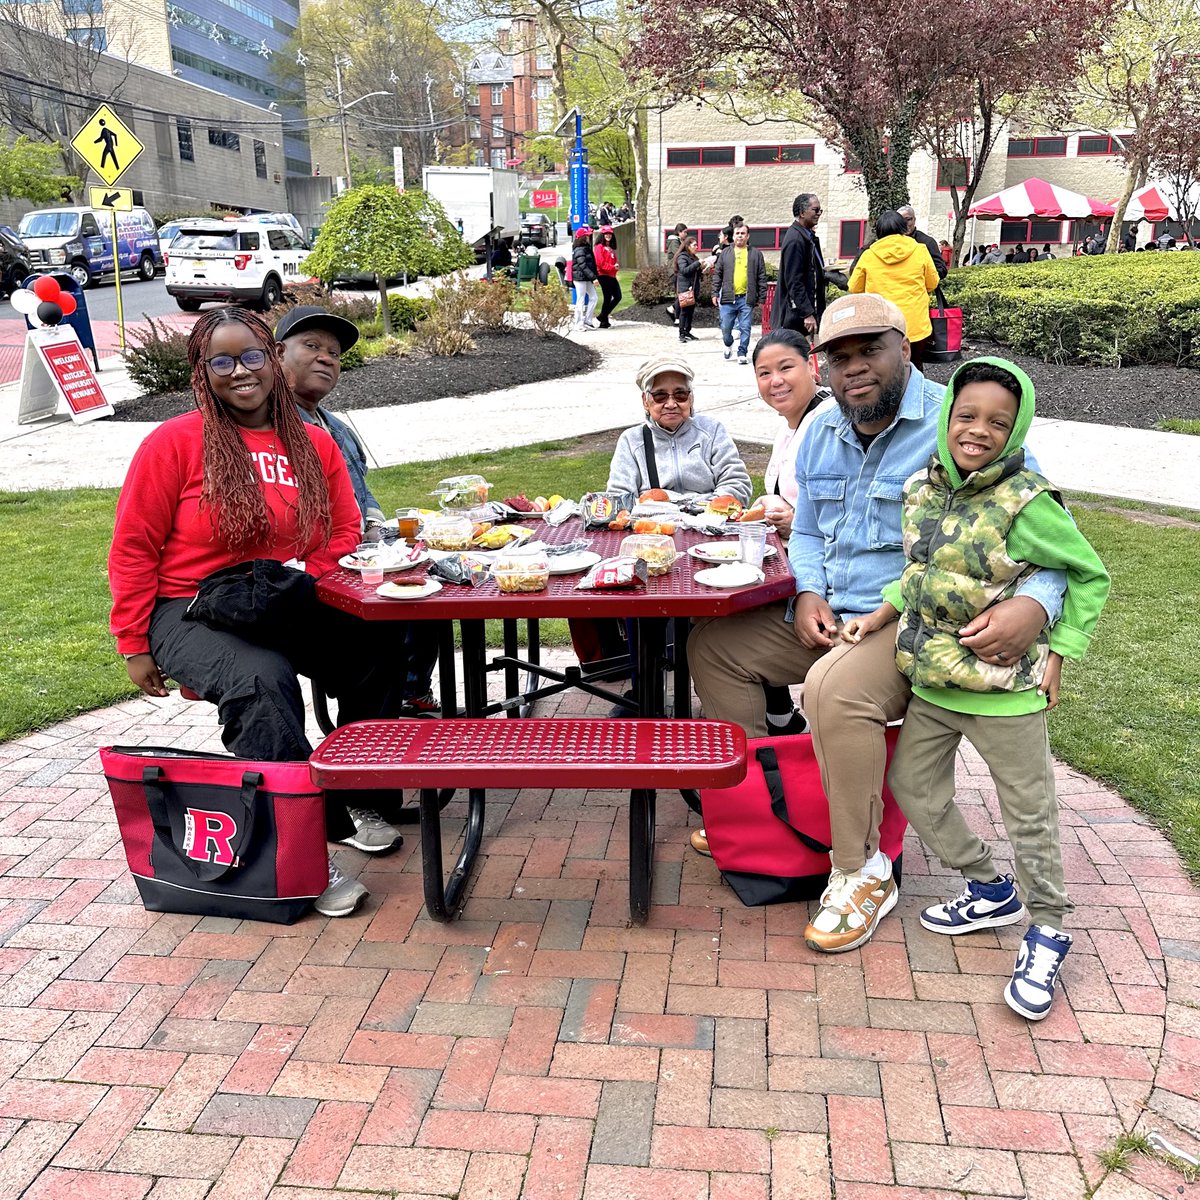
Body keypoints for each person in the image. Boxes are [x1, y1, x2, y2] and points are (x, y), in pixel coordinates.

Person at [686, 294, 1065, 955]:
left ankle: (860, 869)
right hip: (829, 617)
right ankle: (757, 811)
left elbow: (1053, 542)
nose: (854, 367)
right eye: (839, 356)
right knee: (716, 647)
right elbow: (805, 528)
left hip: (915, 624)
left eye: (870, 350)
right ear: (823, 365)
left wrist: (1036, 609)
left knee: (836, 689)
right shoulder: (823, 431)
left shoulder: (960, 422)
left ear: (905, 349)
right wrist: (806, 593)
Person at [109, 307, 408, 918]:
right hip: (187, 605)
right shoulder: (174, 442)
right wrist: (134, 641)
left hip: (271, 594)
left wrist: (307, 576)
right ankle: (302, 846)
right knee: (261, 681)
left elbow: (344, 528)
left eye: (250, 355)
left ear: (272, 359)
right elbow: (135, 544)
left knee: (376, 648)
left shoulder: (313, 443)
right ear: (203, 371)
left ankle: (361, 797)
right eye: (221, 360)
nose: (239, 371)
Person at [844, 357, 1109, 1019]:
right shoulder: (923, 489)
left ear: (1017, 428)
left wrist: (1061, 653)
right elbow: (919, 574)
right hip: (936, 682)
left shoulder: (1030, 500)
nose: (978, 430)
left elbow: (1088, 574)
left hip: (1005, 694)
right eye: (967, 416)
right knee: (912, 786)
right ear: (947, 417)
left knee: (1030, 814)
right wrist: (878, 614)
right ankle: (989, 887)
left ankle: (1048, 928)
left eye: (997, 421)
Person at [277, 300, 440, 764]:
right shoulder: (269, 426)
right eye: (311, 346)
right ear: (275, 353)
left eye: (334, 352)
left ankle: (410, 694)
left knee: (429, 584)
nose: (327, 358)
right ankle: (366, 751)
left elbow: (362, 495)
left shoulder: (337, 427)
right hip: (313, 579)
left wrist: (373, 524)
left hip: (360, 561)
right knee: (376, 638)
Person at [849, 210, 940, 367]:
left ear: (879, 232)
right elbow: (932, 283)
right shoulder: (920, 250)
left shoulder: (868, 256)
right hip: (916, 324)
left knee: (885, 367)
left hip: (882, 323)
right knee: (915, 365)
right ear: (903, 228)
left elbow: (854, 287)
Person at [712, 223, 768, 364]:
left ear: (748, 236)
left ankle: (742, 352)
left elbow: (762, 276)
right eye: (737, 233)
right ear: (733, 236)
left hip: (746, 298)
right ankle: (728, 343)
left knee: (745, 327)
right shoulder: (725, 253)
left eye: (743, 233)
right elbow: (718, 274)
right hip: (727, 298)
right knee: (726, 327)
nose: (740, 236)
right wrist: (714, 293)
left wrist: (762, 297)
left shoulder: (755, 254)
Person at [772, 193, 826, 336]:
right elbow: (794, 282)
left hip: (802, 314)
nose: (819, 214)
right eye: (816, 210)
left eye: (820, 210)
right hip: (796, 317)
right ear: (802, 213)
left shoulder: (807, 237)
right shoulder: (796, 240)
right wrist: (807, 313)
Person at [898, 205, 948, 281]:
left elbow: (941, 270)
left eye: (908, 219)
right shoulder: (894, 241)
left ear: (914, 220)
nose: (905, 224)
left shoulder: (927, 242)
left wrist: (919, 276)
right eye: (901, 221)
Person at [672, 234, 703, 344]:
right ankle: (681, 333)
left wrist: (702, 267)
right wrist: (697, 264)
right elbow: (684, 270)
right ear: (688, 246)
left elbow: (696, 272)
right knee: (684, 311)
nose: (697, 247)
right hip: (685, 288)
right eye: (694, 245)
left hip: (693, 288)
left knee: (690, 311)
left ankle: (687, 331)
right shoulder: (682, 257)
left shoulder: (694, 257)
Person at [593, 226, 622, 329]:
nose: (608, 235)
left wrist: (615, 268)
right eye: (606, 234)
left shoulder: (611, 247)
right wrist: (612, 267)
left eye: (610, 234)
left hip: (611, 275)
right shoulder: (599, 247)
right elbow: (600, 263)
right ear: (602, 235)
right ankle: (603, 318)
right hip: (603, 275)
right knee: (608, 297)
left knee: (617, 296)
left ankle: (603, 319)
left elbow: (612, 261)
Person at [571, 226, 599, 331]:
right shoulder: (580, 250)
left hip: (586, 277)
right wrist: (593, 277)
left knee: (594, 297)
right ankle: (578, 324)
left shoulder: (585, 248)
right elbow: (583, 266)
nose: (589, 237)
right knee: (580, 300)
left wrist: (593, 276)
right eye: (586, 236)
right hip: (580, 278)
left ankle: (587, 320)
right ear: (583, 237)